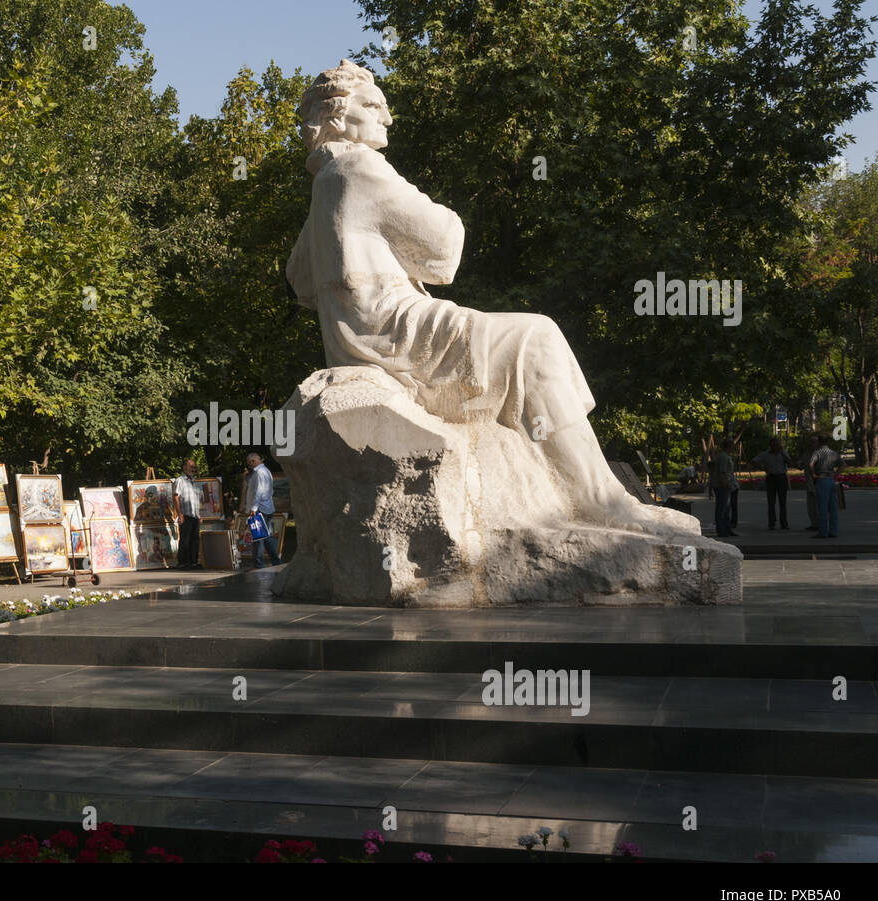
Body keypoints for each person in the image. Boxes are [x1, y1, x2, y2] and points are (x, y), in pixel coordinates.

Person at [286, 60, 698, 538]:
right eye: (374, 105)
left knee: (528, 338)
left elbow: (299, 279)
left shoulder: (324, 182)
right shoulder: (361, 165)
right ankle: (601, 502)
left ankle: (599, 497)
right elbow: (444, 250)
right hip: (395, 329)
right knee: (534, 337)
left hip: (359, 336)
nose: (388, 117)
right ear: (337, 117)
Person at [245, 452, 282, 569]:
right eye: (249, 462)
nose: (251, 464)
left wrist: (254, 508)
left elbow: (259, 492)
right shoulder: (265, 471)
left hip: (260, 508)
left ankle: (259, 565)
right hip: (266, 507)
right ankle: (276, 561)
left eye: (252, 461)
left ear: (258, 460)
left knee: (259, 537)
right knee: (266, 537)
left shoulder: (260, 472)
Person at [751, 438, 792, 530]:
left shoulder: (783, 453)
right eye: (774, 445)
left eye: (778, 444)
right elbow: (754, 461)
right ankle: (772, 523)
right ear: (771, 445)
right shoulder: (765, 454)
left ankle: (784, 523)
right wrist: (762, 467)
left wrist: (782, 453)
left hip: (781, 477)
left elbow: (790, 462)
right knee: (771, 502)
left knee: (782, 502)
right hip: (771, 478)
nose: (776, 446)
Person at [809, 434, 843, 538]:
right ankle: (834, 531)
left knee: (822, 508)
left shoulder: (817, 453)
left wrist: (814, 474)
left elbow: (811, 464)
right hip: (831, 480)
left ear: (819, 442)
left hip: (822, 480)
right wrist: (835, 475)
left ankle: (823, 532)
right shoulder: (833, 453)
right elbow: (844, 465)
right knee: (833, 508)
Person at [172, 458, 202, 568]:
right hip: (185, 514)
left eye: (194, 467)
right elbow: (176, 497)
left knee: (195, 539)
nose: (193, 469)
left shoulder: (194, 481)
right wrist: (179, 514)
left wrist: (199, 514)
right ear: (184, 467)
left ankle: (193, 562)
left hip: (195, 515)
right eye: (191, 467)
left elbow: (197, 499)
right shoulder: (180, 480)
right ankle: (183, 563)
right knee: (185, 539)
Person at [708, 439, 737, 537]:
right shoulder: (723, 457)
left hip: (725, 485)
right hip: (722, 486)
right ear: (729, 446)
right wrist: (725, 484)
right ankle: (721, 530)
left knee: (726, 508)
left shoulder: (724, 456)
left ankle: (727, 528)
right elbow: (722, 472)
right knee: (722, 508)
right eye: (732, 446)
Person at [798, 434, 821, 530]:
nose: (811, 444)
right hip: (809, 484)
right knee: (811, 506)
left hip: (820, 483)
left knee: (820, 505)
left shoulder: (821, 454)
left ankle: (821, 524)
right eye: (810, 442)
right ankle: (814, 524)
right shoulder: (806, 454)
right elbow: (800, 465)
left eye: (814, 442)